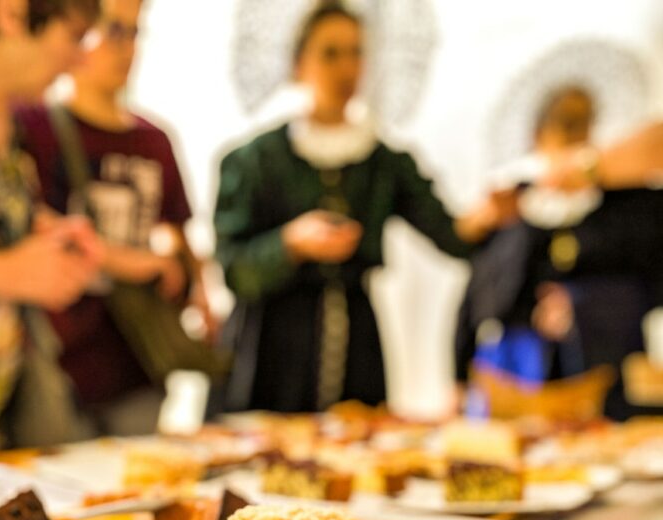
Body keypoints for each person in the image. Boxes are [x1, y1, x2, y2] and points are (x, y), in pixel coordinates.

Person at [212, 2, 501, 415]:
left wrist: (489, 214)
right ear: (299, 63)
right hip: (274, 345)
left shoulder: (382, 161)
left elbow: (451, 236)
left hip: (357, 346)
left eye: (356, 52)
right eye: (331, 53)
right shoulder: (255, 161)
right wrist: (291, 243)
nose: (346, 67)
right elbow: (232, 267)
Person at [17, 0, 217, 437]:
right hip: (57, 356)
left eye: (134, 32)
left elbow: (179, 235)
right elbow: (32, 226)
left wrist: (197, 290)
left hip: (138, 354)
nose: (125, 48)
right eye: (111, 31)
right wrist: (137, 261)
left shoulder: (154, 141)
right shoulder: (35, 124)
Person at [455, 86, 662, 419]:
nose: (570, 139)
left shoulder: (629, 206)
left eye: (579, 125)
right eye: (562, 125)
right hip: (516, 385)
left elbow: (650, 286)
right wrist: (458, 377)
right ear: (537, 135)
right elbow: (477, 295)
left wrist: (580, 305)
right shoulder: (512, 206)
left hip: (604, 386)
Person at [0, 0, 103, 453]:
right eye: (74, 36)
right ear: (11, 12)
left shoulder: (4, 114)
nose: (82, 58)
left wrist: (49, 239)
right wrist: (9, 271)